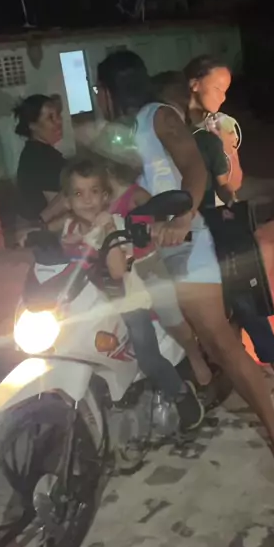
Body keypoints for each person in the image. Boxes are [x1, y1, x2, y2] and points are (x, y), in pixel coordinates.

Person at [96, 50, 274, 483]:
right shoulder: (116, 133)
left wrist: (183, 216)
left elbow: (193, 168)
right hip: (142, 247)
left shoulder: (158, 117)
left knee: (223, 344)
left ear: (107, 91)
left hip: (183, 240)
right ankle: (187, 384)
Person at [155, 67, 274, 397]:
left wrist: (227, 154)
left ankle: (265, 359)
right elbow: (226, 187)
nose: (222, 98)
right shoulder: (189, 140)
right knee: (238, 294)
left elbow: (227, 184)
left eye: (225, 90)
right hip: (193, 227)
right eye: (218, 89)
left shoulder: (203, 137)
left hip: (197, 226)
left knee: (241, 290)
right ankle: (259, 361)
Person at [60, 156, 204, 432]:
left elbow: (116, 270)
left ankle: (181, 394)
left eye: (94, 192)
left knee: (147, 358)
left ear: (105, 197)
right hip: (90, 302)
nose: (87, 200)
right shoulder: (70, 228)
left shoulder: (115, 224)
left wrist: (107, 231)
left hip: (127, 300)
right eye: (78, 194)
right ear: (67, 201)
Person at [106, 159, 213, 390]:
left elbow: (161, 218)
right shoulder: (94, 199)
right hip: (115, 271)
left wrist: (154, 228)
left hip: (146, 264)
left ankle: (194, 355)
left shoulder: (135, 195)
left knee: (170, 316)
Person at [15, 94, 67, 226]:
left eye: (58, 115)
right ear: (33, 125)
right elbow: (58, 209)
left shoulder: (34, 152)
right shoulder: (41, 160)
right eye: (50, 118)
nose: (58, 122)